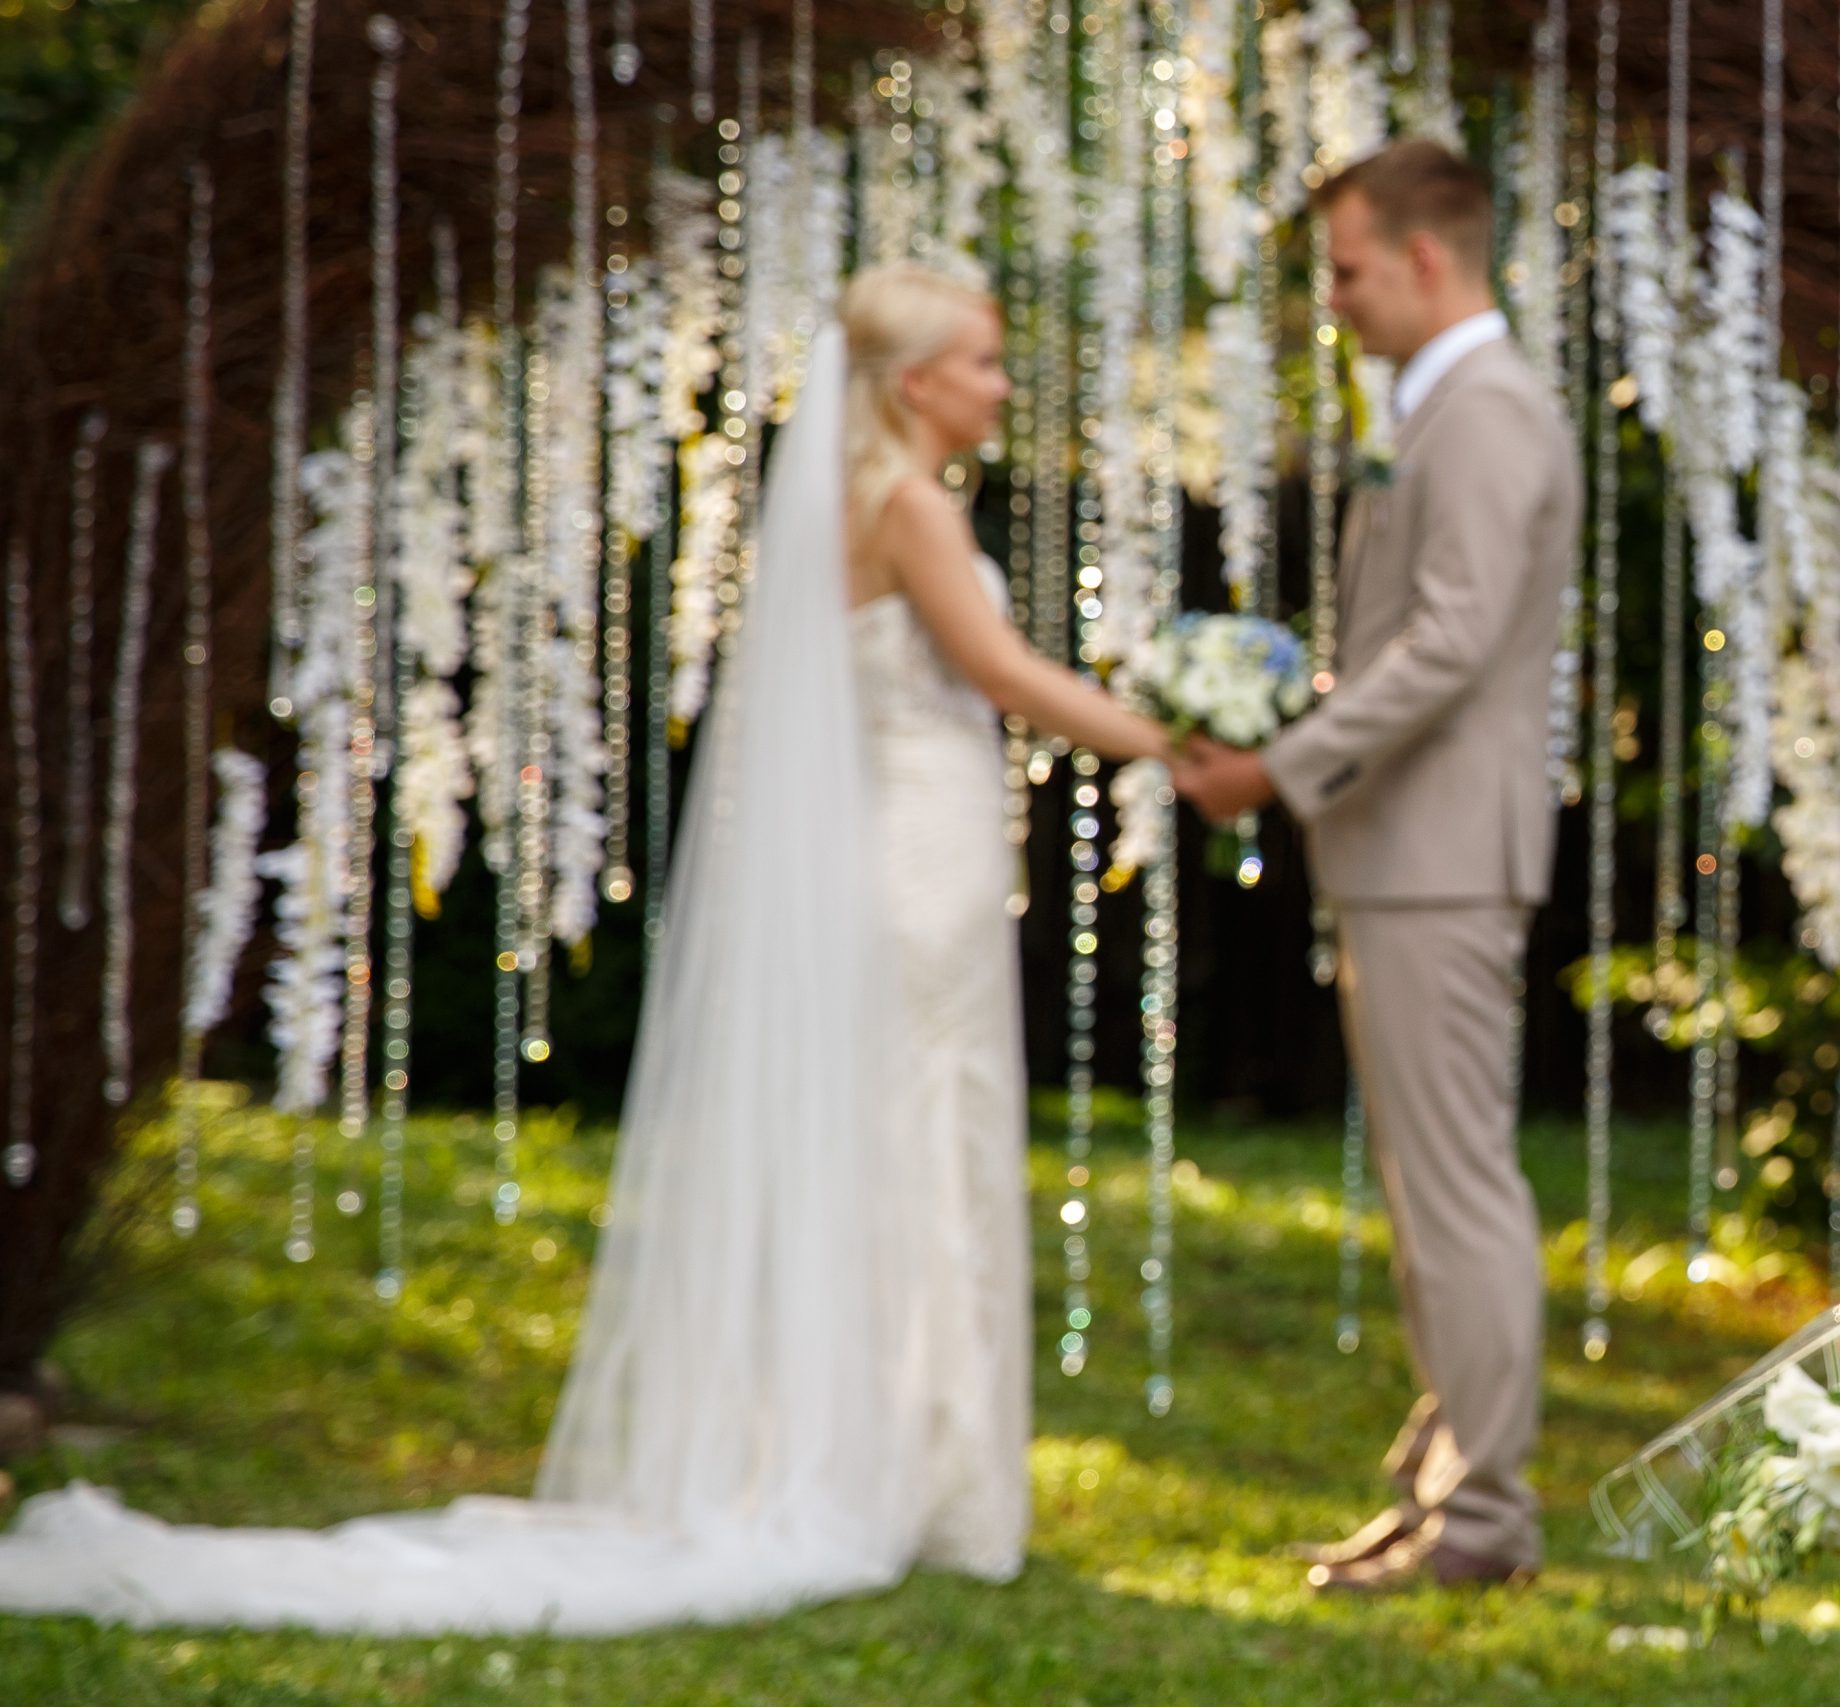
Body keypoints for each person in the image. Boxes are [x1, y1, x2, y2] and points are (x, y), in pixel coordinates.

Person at [0, 263, 1171, 1633]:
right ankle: (906, 1462)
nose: (1000, 385)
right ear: (916, 384)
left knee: (899, 1136)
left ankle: (893, 1449)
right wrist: (1179, 747)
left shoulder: (870, 503)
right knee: (918, 1133)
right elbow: (1007, 673)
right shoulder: (904, 503)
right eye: (982, 361)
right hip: (913, 859)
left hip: (908, 847)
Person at [1176, 139, 1582, 1594]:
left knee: (1456, 1185)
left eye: (1344, 269)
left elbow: (1455, 637)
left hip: (1441, 855)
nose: (1333, 299)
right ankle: (1446, 1480)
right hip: (1412, 851)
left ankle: (1485, 1521)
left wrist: (1276, 767)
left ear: (1425, 256)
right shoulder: (1441, 403)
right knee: (1430, 1184)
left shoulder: (1483, 410)